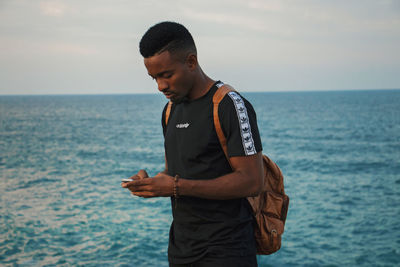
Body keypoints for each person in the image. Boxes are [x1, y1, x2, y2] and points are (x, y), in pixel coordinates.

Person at [122, 21, 264, 267]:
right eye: (154, 77)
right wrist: (153, 183)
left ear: (191, 62)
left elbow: (252, 181)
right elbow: (177, 171)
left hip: (227, 251)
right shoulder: (169, 111)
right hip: (181, 250)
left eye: (167, 75)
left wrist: (176, 187)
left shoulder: (229, 104)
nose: (160, 86)